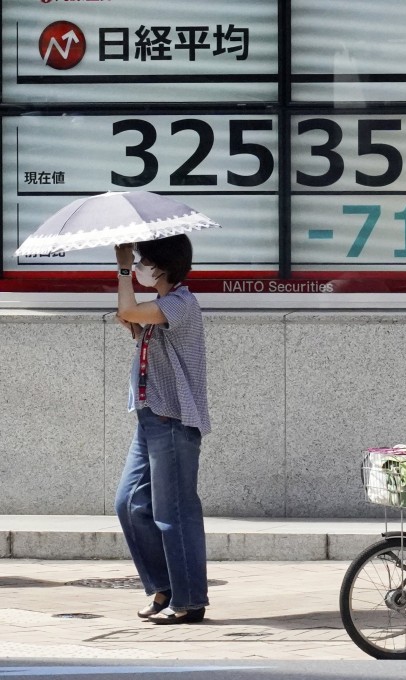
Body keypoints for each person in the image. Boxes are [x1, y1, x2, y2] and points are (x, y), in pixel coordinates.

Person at [113, 235, 211, 625]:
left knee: (174, 513)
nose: (139, 268)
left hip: (172, 419)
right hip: (150, 416)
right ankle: (164, 587)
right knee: (130, 504)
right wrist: (130, 312)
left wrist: (121, 270)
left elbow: (128, 309)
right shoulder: (161, 307)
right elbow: (129, 316)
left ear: (164, 266)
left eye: (143, 261)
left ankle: (189, 600)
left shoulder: (181, 303)